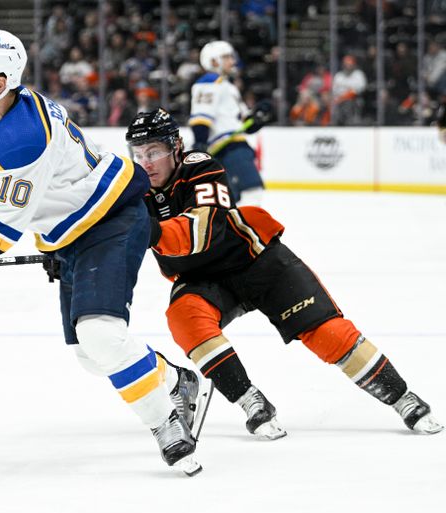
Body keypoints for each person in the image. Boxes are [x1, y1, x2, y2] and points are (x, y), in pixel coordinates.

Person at [0, 29, 201, 471]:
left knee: (100, 335)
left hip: (111, 218)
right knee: (91, 355)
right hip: (69, 229)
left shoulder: (23, 138)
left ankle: (166, 424)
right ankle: (176, 381)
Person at [126, 108, 443, 437]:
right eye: (138, 153)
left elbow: (204, 229)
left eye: (154, 152)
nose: (146, 162)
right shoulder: (133, 189)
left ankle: (402, 397)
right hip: (202, 280)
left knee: (328, 333)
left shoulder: (200, 167)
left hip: (256, 260)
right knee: (184, 318)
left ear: (176, 147)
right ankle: (250, 400)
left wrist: (147, 230)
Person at [189, 41, 273, 206]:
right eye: (226, 57)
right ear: (213, 61)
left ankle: (235, 230)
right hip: (228, 148)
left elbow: (243, 124)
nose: (232, 61)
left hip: (233, 146)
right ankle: (243, 230)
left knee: (234, 198)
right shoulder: (210, 81)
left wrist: (257, 117)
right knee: (251, 191)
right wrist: (200, 142)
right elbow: (201, 117)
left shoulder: (228, 86)